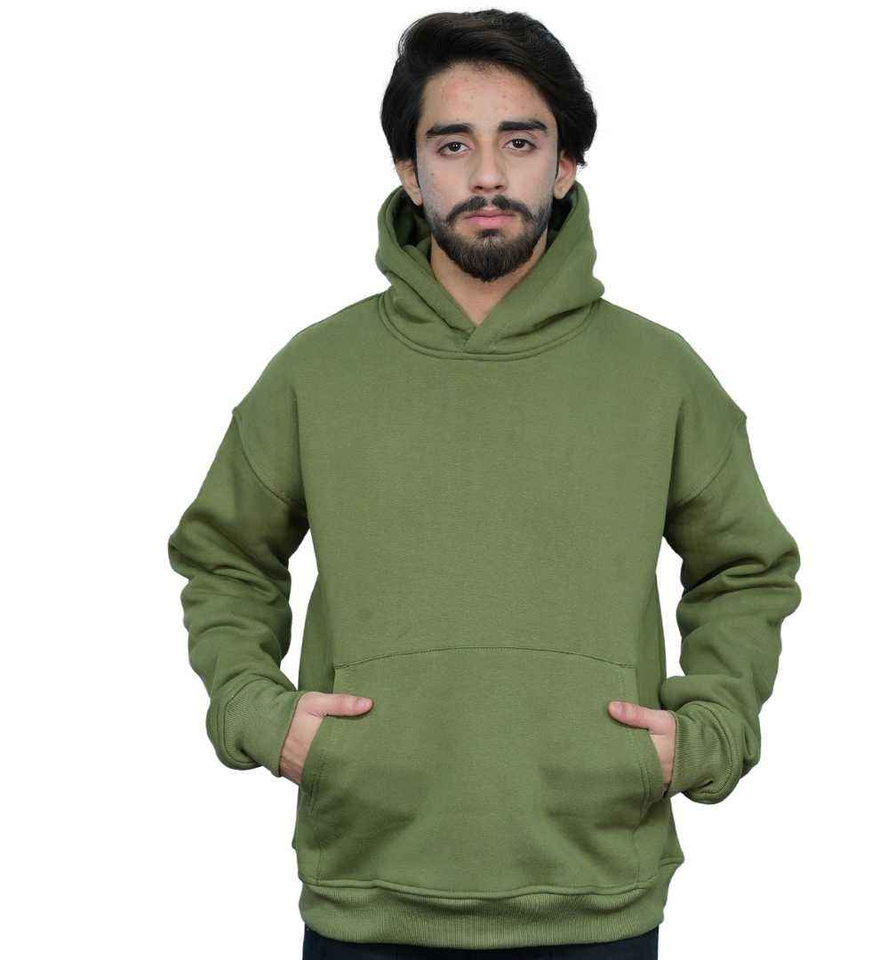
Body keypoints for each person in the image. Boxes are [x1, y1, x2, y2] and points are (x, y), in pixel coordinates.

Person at [167, 9, 802, 958]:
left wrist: (710, 730)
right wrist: (258, 713)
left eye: (521, 141)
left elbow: (746, 568)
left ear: (566, 164)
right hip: (367, 890)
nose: (489, 176)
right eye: (453, 145)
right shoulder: (316, 371)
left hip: (598, 894)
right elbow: (224, 556)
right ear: (409, 171)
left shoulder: (660, 375)